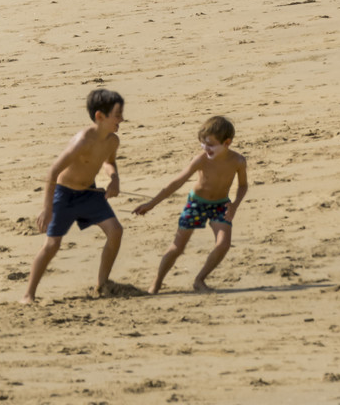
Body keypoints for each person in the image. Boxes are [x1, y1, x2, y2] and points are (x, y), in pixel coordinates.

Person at [25, 87, 125, 301]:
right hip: (64, 196)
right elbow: (53, 170)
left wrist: (114, 178)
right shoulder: (83, 141)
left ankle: (102, 284)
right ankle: (28, 294)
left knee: (115, 231)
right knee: (52, 245)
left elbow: (109, 162)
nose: (122, 119)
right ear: (100, 116)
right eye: (117, 115)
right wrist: (47, 208)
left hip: (89, 193)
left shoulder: (112, 141)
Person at [135, 114, 249, 293]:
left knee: (223, 244)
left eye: (210, 144)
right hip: (197, 203)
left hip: (221, 205)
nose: (205, 148)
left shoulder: (238, 161)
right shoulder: (201, 159)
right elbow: (176, 182)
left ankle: (199, 280)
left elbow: (243, 185)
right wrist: (151, 204)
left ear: (227, 143)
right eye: (202, 143)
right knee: (177, 247)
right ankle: (157, 281)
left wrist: (234, 205)